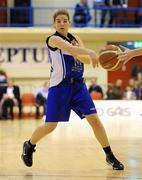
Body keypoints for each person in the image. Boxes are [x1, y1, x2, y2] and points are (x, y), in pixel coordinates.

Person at [21, 9, 124, 170]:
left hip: (78, 86)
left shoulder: (76, 38)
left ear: (69, 22)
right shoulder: (53, 39)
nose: (62, 23)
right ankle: (29, 145)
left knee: (95, 120)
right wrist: (90, 52)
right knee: (50, 126)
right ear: (54, 24)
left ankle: (109, 155)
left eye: (65, 20)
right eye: (58, 21)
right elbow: (72, 50)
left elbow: (82, 58)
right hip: (60, 87)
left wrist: (104, 59)